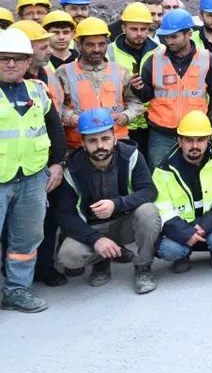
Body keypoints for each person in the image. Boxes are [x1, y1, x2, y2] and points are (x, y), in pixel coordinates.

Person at [54, 108, 159, 294]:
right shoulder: (72, 167)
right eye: (92, 141)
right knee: (68, 256)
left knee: (148, 212)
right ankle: (103, 260)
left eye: (105, 138)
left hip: (125, 223)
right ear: (83, 143)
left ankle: (143, 267)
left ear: (114, 137)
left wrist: (117, 204)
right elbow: (65, 213)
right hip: (92, 228)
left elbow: (149, 191)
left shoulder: (131, 155)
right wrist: (95, 240)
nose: (100, 146)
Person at [0, 27, 66, 312]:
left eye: (17, 58)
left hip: (31, 179)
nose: (10, 64)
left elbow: (55, 130)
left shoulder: (38, 91)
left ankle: (17, 291)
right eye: (3, 58)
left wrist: (57, 163)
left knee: (25, 240)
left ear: (28, 62)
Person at [136, 8, 212, 168]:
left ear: (189, 34)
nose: (169, 41)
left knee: (195, 177)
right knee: (159, 176)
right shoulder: (153, 60)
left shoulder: (208, 59)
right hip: (161, 134)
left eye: (174, 37)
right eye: (167, 37)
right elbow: (146, 96)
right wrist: (138, 88)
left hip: (195, 134)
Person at [152, 110, 212, 273]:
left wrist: (205, 226)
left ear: (208, 139)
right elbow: (162, 209)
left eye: (200, 140)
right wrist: (184, 233)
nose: (195, 146)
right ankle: (182, 255)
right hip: (181, 223)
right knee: (169, 249)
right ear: (179, 140)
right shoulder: (163, 170)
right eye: (189, 140)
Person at [56, 17, 143, 151]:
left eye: (101, 44)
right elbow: (55, 107)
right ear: (79, 45)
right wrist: (71, 118)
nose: (97, 49)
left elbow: (135, 101)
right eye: (90, 44)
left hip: (117, 142)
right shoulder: (64, 72)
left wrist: (126, 116)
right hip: (79, 145)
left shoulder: (120, 71)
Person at [108, 2, 159, 158]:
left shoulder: (160, 51)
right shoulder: (109, 51)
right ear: (123, 28)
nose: (139, 34)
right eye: (134, 29)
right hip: (121, 123)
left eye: (143, 29)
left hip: (152, 123)